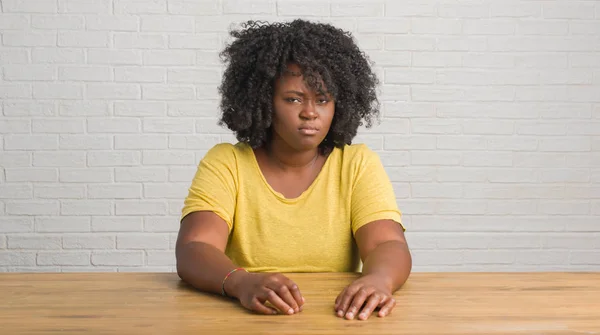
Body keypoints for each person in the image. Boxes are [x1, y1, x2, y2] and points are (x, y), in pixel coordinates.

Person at [175, 19, 412, 321]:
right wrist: (241, 282)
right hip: (245, 317)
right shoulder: (227, 163)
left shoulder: (356, 164)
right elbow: (195, 247)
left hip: (338, 317)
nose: (310, 112)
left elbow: (386, 243)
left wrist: (380, 280)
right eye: (293, 99)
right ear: (263, 101)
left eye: (323, 100)